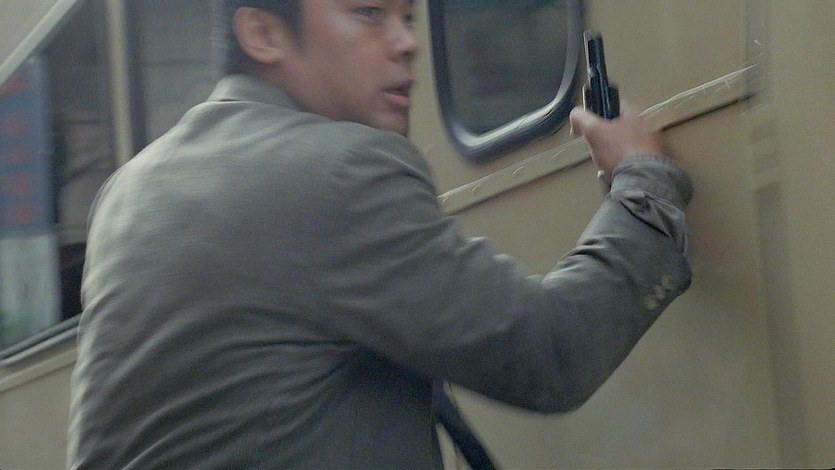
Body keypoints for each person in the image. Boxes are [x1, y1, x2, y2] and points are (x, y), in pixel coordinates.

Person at [67, 0, 693, 468]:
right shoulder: (336, 168)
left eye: (409, 17)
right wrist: (643, 184)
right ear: (263, 34)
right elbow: (550, 354)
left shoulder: (129, 191)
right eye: (368, 13)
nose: (406, 43)